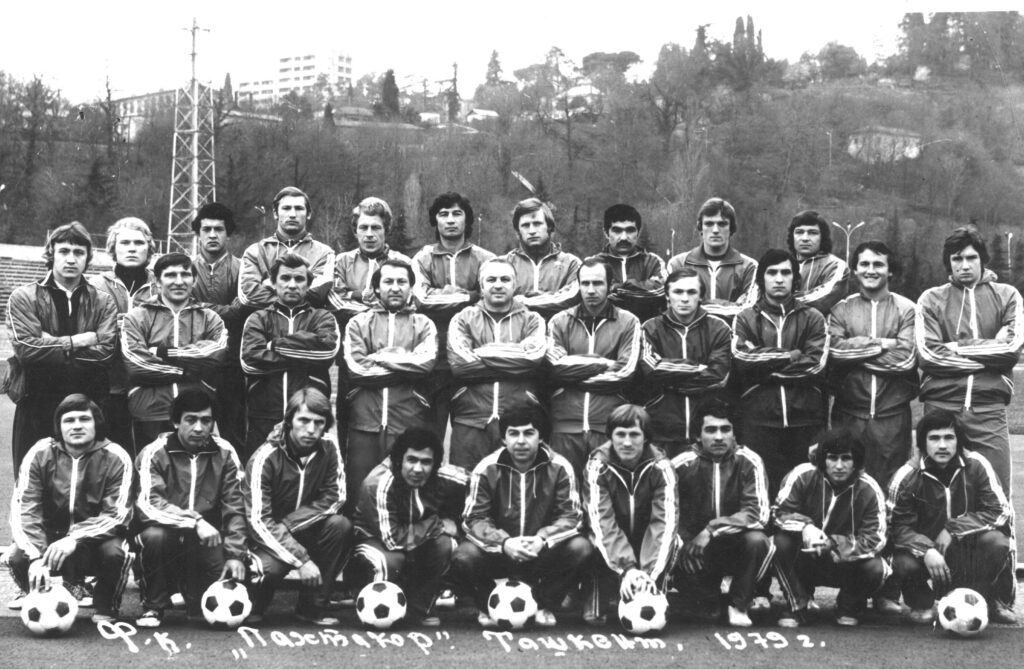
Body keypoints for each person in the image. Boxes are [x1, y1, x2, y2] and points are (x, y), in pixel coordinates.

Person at [452, 404, 592, 628]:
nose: (520, 441)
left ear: (541, 437)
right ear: (503, 438)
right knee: (464, 555)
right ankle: (488, 605)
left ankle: (543, 604)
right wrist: (504, 542)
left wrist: (542, 539)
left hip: (540, 552)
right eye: (513, 433)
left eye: (528, 433)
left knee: (581, 548)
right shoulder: (486, 468)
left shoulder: (560, 467)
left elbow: (571, 516)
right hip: (499, 552)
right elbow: (474, 518)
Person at [915, 226, 1023, 498]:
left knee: (996, 495)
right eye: (957, 259)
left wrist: (955, 347)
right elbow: (929, 355)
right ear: (948, 263)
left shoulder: (1007, 295)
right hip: (941, 409)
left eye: (971, 257)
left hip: (989, 410)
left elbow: (1011, 349)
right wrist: (989, 354)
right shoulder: (931, 299)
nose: (964, 265)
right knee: (937, 496)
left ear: (982, 259)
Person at [9, 394, 134, 622]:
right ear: (59, 426)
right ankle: (39, 595)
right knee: (17, 555)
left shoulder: (117, 456)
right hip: (50, 541)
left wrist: (74, 538)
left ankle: (105, 604)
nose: (76, 426)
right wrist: (36, 556)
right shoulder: (40, 453)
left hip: (92, 541)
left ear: (96, 423)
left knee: (116, 552)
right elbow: (24, 508)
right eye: (69, 420)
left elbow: (117, 514)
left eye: (84, 419)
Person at [7, 222, 118, 470]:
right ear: (51, 253)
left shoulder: (103, 301)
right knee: (32, 480)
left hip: (88, 404)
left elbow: (105, 354)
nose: (71, 259)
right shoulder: (24, 296)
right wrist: (76, 341)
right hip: (37, 403)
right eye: (64, 251)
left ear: (88, 257)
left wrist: (48, 343)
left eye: (78, 252)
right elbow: (26, 350)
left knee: (86, 483)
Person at [888, 410, 1015, 625]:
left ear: (958, 440)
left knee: (997, 542)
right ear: (923, 442)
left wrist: (953, 528)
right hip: (926, 557)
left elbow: (1000, 510)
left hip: (964, 551)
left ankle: (981, 599)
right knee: (902, 561)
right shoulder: (907, 475)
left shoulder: (977, 465)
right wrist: (926, 549)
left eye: (949, 437)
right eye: (934, 438)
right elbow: (895, 527)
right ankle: (921, 602)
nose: (942, 445)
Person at [133, 390, 247, 627]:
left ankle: (190, 591)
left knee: (202, 613)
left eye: (206, 421)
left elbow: (236, 506)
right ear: (176, 422)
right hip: (167, 530)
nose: (199, 428)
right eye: (191, 420)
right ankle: (154, 605)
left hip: (206, 538)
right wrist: (195, 521)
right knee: (154, 537)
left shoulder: (225, 452)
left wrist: (235, 554)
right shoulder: (154, 452)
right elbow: (150, 504)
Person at [244, 388, 353, 626]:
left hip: (305, 528)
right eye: (304, 420)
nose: (311, 429)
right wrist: (302, 559)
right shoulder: (265, 457)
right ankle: (257, 602)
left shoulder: (329, 446)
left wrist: (290, 524)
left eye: (319, 422)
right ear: (289, 421)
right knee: (263, 579)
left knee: (339, 526)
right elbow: (258, 521)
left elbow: (335, 496)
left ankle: (312, 607)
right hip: (270, 537)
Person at [732, 248, 828, 495]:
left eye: (786, 273)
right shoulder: (745, 318)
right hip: (759, 420)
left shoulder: (813, 318)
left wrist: (765, 369)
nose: (778, 279)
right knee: (761, 490)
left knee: (803, 491)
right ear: (761, 278)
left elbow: (815, 365)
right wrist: (790, 355)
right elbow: (742, 359)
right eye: (772, 272)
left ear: (795, 278)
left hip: (804, 420)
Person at [348, 428, 467, 627]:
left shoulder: (444, 476)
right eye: (411, 460)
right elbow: (393, 540)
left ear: (435, 464)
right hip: (375, 540)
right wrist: (437, 523)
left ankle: (419, 608)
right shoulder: (377, 483)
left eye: (426, 462)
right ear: (398, 460)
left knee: (445, 545)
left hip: (417, 537)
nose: (418, 469)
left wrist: (459, 525)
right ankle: (372, 608)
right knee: (390, 560)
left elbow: (479, 485)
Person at [316, 197, 413, 436]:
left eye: (376, 227)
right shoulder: (341, 261)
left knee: (393, 423)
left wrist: (354, 296)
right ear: (355, 230)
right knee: (349, 425)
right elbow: (335, 301)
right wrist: (374, 308)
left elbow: (409, 302)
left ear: (386, 230)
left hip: (393, 354)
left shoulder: (403, 263)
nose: (369, 234)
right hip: (351, 356)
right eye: (363, 227)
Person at [343, 259, 437, 507]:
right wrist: (405, 364)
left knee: (405, 495)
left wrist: (379, 356)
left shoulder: (424, 324)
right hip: (365, 421)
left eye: (402, 282)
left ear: (411, 287)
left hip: (407, 420)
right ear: (376, 287)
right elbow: (357, 369)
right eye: (388, 281)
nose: (395, 288)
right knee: (360, 492)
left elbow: (425, 363)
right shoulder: (358, 323)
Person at [772, 428, 888, 628]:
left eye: (846, 458)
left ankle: (849, 605)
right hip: (805, 557)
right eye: (832, 458)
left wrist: (833, 544)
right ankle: (797, 604)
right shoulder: (803, 475)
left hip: (844, 563)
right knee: (778, 543)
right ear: (822, 459)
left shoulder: (869, 489)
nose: (839, 466)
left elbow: (875, 539)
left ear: (856, 461)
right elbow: (778, 513)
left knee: (877, 568)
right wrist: (806, 527)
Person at [672, 400, 772, 627]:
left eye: (725, 429)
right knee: (707, 614)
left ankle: (740, 603)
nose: (719, 437)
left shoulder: (749, 460)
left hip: (734, 545)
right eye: (711, 430)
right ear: (698, 436)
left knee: (757, 540)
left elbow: (758, 514)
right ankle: (705, 598)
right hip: (696, 549)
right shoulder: (681, 464)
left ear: (734, 433)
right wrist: (685, 541)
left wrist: (711, 530)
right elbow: (668, 512)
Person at [828, 241, 918, 489]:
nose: (871, 270)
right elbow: (834, 351)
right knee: (846, 487)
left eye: (878, 264)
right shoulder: (841, 309)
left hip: (892, 418)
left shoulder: (907, 309)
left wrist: (855, 355)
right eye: (864, 264)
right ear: (855, 270)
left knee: (892, 488)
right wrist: (883, 344)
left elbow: (905, 359)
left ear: (890, 270)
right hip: (849, 415)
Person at [447, 258, 547, 469]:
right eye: (491, 280)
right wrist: (513, 361)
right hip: (471, 418)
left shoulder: (533, 319)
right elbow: (461, 364)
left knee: (516, 483)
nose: (498, 285)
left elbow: (532, 358)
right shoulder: (462, 318)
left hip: (519, 419)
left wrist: (482, 353)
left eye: (505, 279)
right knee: (465, 482)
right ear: (481, 286)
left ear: (515, 285)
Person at [582, 405, 677, 626]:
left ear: (646, 438)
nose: (627, 442)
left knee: (676, 541)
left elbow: (664, 523)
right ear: (610, 436)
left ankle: (653, 591)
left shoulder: (661, 467)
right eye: (620, 434)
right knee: (589, 542)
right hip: (612, 544)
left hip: (647, 542)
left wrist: (647, 574)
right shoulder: (597, 466)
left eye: (634, 434)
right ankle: (599, 592)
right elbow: (602, 522)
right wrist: (627, 568)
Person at [411, 192, 496, 435]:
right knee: (430, 437)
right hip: (435, 359)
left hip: (474, 357)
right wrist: (470, 296)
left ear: (467, 220)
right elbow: (422, 299)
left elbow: (492, 301)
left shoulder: (487, 259)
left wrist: (444, 295)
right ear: (435, 221)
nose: (450, 220)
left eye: (457, 213)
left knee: (472, 435)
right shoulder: (422, 259)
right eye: (443, 214)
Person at [547, 259, 641, 477]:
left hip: (609, 425)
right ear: (578, 285)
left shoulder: (629, 322)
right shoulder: (558, 321)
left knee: (606, 491)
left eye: (598, 283)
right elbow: (555, 367)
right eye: (585, 283)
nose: (590, 290)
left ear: (610, 285)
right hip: (564, 425)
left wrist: (574, 375)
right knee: (565, 490)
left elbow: (625, 372)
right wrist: (604, 363)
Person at [240, 254, 340, 460]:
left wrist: (274, 345)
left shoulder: (322, 317)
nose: (292, 285)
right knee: (261, 469)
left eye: (299, 279)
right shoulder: (258, 318)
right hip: (264, 413)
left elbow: (326, 352)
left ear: (308, 285)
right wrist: (305, 357)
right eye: (285, 278)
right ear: (273, 283)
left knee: (308, 473)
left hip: (310, 416)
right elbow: (250, 362)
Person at [122, 253, 227, 447]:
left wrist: (164, 353)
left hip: (198, 411)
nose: (179, 281)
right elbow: (136, 363)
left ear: (194, 280)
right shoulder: (136, 317)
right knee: (150, 463)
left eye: (185, 275)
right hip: (150, 411)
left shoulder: (210, 317)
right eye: (170, 275)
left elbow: (215, 354)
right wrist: (185, 372)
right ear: (157, 281)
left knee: (198, 465)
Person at [640, 268, 731, 456]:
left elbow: (717, 374)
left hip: (705, 432)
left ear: (701, 296)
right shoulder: (650, 328)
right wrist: (697, 368)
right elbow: (652, 369)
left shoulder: (719, 328)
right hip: (662, 430)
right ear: (667, 296)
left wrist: (671, 383)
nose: (684, 298)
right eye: (678, 292)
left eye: (691, 292)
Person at [91, 217, 159, 453]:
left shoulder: (160, 286)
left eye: (139, 243)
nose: (132, 248)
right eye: (125, 243)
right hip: (108, 386)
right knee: (112, 453)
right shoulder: (95, 285)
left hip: (150, 386)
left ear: (149, 249)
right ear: (113, 248)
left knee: (150, 453)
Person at [190, 202, 248, 450]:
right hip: (195, 361)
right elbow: (186, 310)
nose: (212, 235)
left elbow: (242, 310)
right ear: (198, 233)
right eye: (206, 229)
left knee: (233, 431)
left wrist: (200, 307)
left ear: (228, 233)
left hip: (233, 362)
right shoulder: (185, 270)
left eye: (219, 229)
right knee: (195, 430)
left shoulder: (244, 269)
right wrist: (228, 310)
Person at [239, 186, 334, 309]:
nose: (292, 214)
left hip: (309, 320)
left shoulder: (324, 253)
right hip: (265, 320)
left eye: (299, 208)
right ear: (275, 213)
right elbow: (248, 295)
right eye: (286, 208)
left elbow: (319, 293)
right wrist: (291, 297)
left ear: (308, 214)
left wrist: (269, 283)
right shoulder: (255, 252)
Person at [666, 197, 757, 321]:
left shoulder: (749, 267)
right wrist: (732, 305)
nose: (715, 230)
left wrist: (697, 305)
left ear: (731, 228)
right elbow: (673, 307)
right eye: (709, 224)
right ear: (700, 227)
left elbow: (747, 311)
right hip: (690, 332)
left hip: (732, 333)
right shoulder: (678, 264)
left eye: (722, 224)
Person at [502, 197, 581, 321]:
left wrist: (523, 301)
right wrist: (551, 299)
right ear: (518, 231)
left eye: (537, 224)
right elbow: (496, 299)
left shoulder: (571, 263)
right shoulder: (503, 264)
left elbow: (573, 297)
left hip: (557, 331)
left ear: (549, 227)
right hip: (515, 331)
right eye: (525, 225)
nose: (532, 231)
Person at [588, 204, 667, 323]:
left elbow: (661, 291)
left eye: (630, 230)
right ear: (606, 233)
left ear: (638, 232)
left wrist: (617, 288)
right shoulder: (593, 263)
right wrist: (641, 289)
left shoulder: (653, 261)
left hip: (646, 329)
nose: (624, 237)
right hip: (606, 329)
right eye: (617, 231)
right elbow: (590, 295)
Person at [787, 210, 849, 317]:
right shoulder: (782, 264)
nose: (805, 238)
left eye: (812, 233)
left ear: (822, 237)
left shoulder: (836, 265)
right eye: (799, 232)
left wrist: (781, 300)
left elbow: (822, 300)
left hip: (821, 326)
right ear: (792, 236)